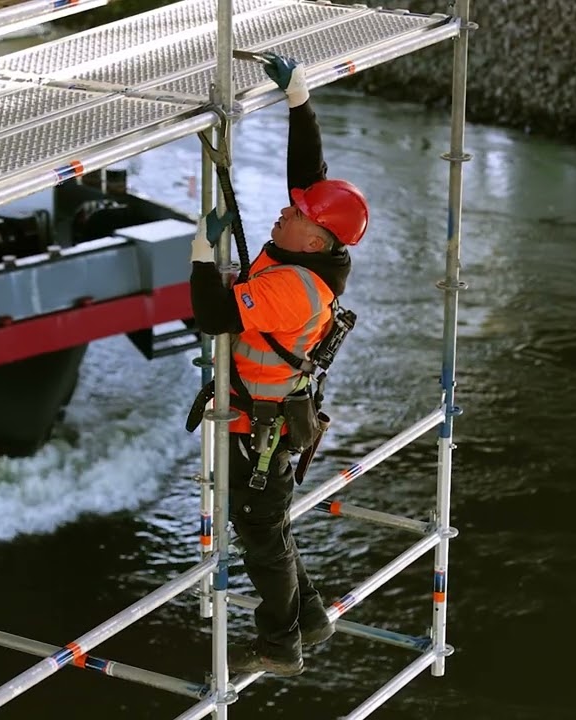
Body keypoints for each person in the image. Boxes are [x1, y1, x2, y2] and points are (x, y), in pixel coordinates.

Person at [187, 53, 369, 677]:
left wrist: (200, 254)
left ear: (313, 240)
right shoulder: (314, 255)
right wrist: (299, 99)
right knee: (272, 532)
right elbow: (307, 177)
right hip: (266, 425)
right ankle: (311, 617)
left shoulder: (294, 288)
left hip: (253, 434)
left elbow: (213, 314)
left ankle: (279, 644)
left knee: (261, 541)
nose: (282, 212)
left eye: (294, 215)